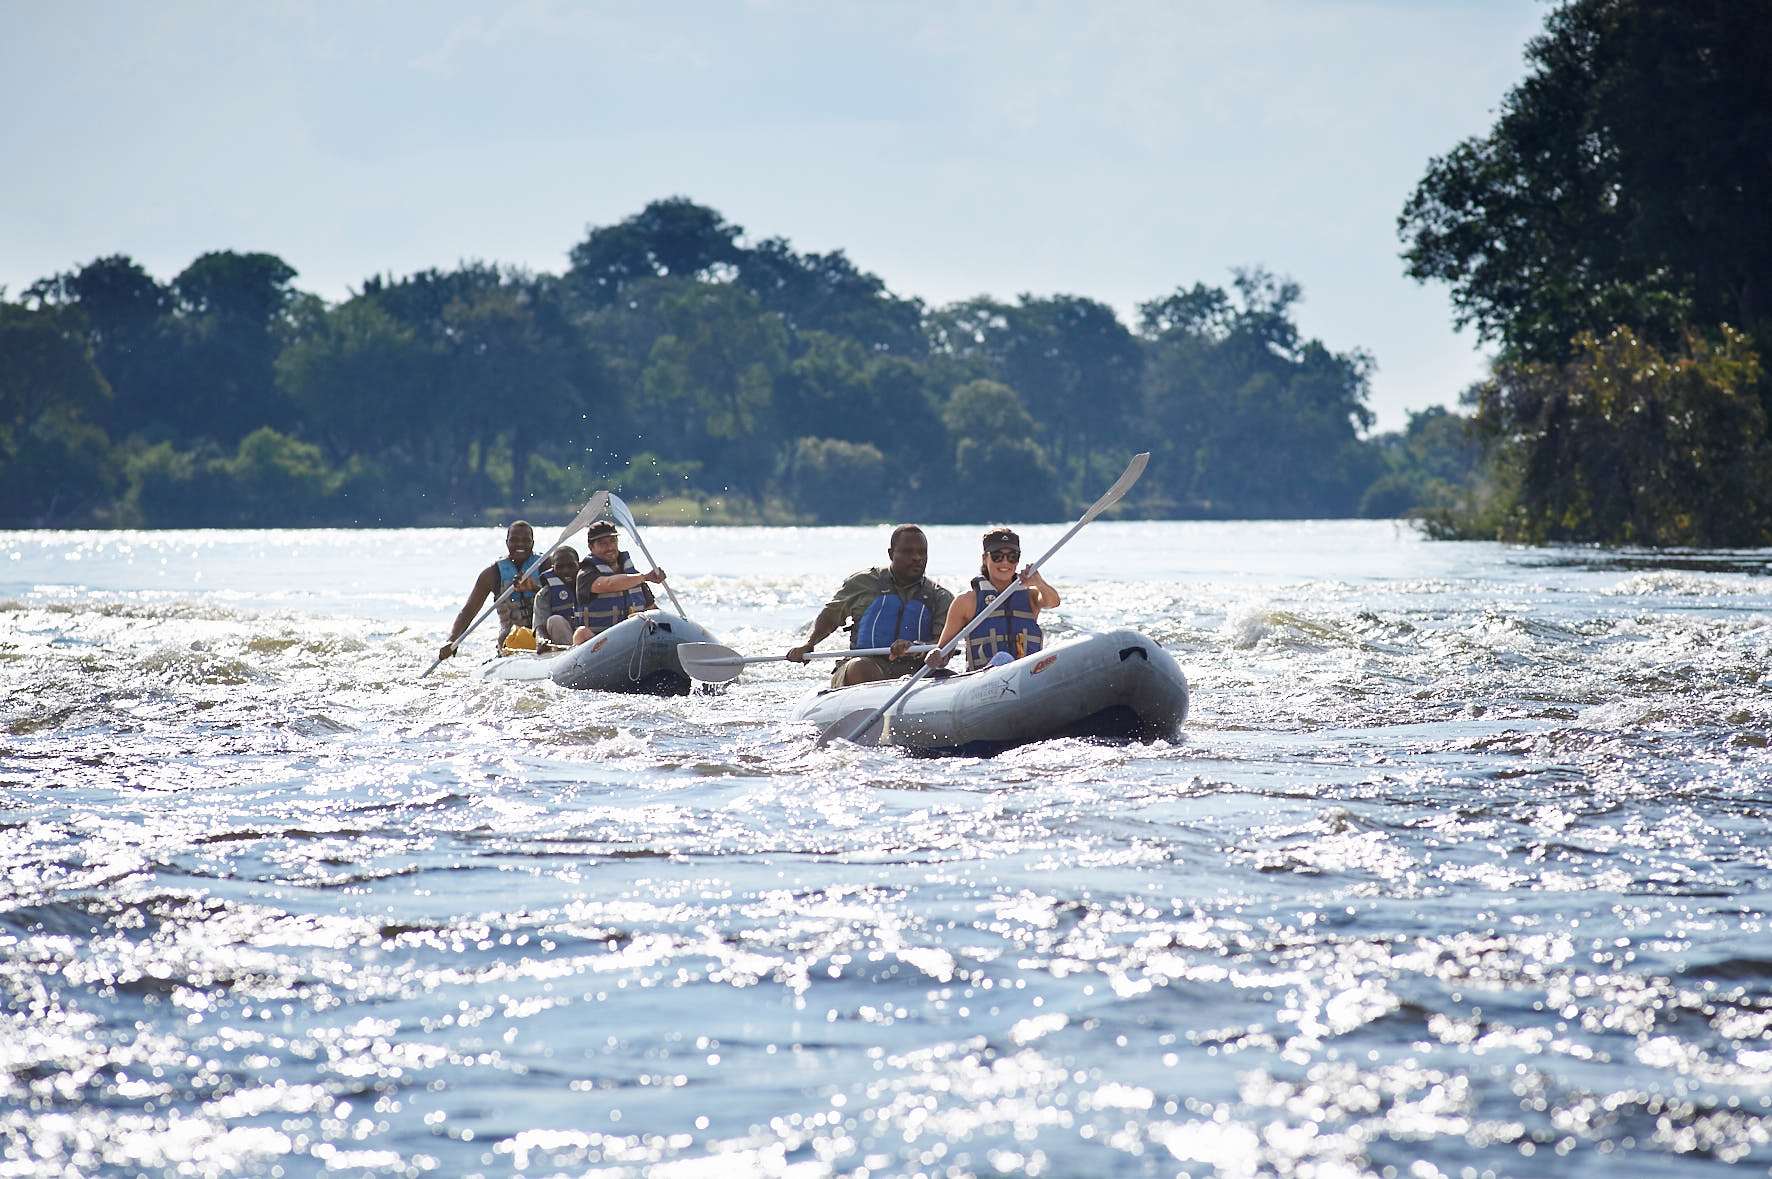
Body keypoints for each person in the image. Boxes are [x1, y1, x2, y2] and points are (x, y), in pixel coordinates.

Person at [786, 524, 954, 687]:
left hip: (917, 671)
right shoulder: (862, 583)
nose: (917, 558)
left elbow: (945, 641)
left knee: (952, 678)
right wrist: (809, 644)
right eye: (908, 552)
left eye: (922, 552)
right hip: (866, 665)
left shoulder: (941, 597)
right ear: (891, 554)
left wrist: (918, 647)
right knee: (861, 667)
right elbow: (830, 616)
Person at [926, 526, 1060, 672]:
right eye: (997, 556)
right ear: (985, 558)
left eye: (1012, 556)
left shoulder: (1031, 595)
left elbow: (1053, 602)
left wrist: (1039, 583)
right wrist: (937, 654)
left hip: (1028, 674)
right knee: (1003, 659)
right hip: (984, 678)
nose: (1005, 562)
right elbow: (943, 651)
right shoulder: (966, 602)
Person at [438, 520, 546, 660]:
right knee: (507, 637)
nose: (520, 544)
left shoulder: (546, 565)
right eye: (514, 540)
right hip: (510, 640)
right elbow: (469, 610)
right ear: (507, 542)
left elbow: (564, 595)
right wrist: (452, 640)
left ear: (533, 543)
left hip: (543, 636)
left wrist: (534, 588)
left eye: (526, 540)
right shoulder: (491, 574)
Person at [572, 520, 665, 642]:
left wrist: (668, 625)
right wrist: (645, 577)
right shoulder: (586, 574)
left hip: (633, 638)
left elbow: (652, 609)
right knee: (581, 633)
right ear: (591, 547)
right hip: (599, 642)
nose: (609, 547)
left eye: (613, 541)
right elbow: (609, 584)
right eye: (602, 543)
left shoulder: (634, 576)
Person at [532, 546, 581, 646]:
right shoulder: (544, 594)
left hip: (590, 637)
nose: (566, 571)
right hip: (566, 642)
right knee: (554, 620)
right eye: (560, 567)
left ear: (579, 565)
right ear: (553, 568)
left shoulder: (593, 584)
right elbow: (540, 627)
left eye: (571, 565)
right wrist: (541, 640)